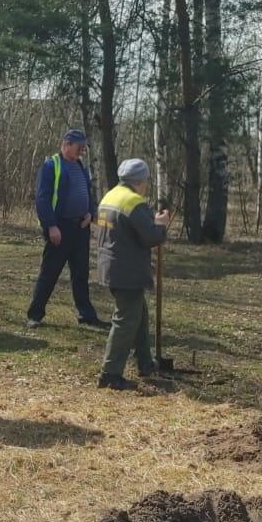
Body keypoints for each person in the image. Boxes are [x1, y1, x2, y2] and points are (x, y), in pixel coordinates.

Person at [95, 158, 172, 391]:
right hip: (126, 269)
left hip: (110, 266)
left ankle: (145, 362)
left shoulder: (110, 196)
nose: (146, 185)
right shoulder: (134, 202)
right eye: (146, 181)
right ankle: (110, 373)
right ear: (140, 181)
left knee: (139, 314)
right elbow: (151, 236)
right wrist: (161, 225)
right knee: (125, 321)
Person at [26, 128, 105, 329]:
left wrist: (89, 213)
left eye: (83, 148)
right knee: (50, 273)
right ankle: (35, 315)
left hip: (81, 227)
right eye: (78, 147)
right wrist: (51, 226)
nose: (81, 151)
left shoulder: (80, 166)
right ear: (67, 144)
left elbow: (86, 192)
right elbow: (42, 199)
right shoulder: (51, 166)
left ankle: (86, 314)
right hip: (60, 227)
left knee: (81, 273)